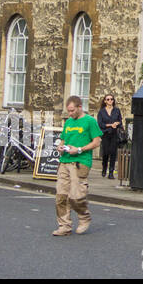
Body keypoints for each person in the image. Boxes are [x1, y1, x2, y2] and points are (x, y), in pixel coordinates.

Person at [53, 95, 102, 237]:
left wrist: (79, 149)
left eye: (72, 110)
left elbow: (97, 142)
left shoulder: (90, 121)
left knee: (75, 196)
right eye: (68, 111)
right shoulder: (68, 122)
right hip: (65, 161)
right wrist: (60, 147)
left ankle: (84, 216)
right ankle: (64, 226)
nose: (70, 114)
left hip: (80, 162)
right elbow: (63, 139)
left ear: (80, 107)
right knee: (61, 196)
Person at [96, 94, 123, 180]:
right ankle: (104, 168)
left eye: (111, 99)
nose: (110, 101)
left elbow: (120, 121)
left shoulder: (117, 110)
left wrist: (116, 123)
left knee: (113, 153)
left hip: (114, 134)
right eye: (108, 99)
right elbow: (100, 124)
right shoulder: (101, 112)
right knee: (106, 152)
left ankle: (111, 172)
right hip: (105, 134)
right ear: (105, 101)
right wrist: (110, 125)